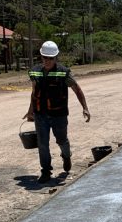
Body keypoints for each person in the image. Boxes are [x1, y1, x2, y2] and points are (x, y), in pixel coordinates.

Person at [23, 41, 91, 183]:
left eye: (50, 58)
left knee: (62, 140)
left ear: (56, 58)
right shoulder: (35, 71)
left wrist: (85, 107)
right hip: (41, 115)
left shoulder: (63, 72)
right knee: (42, 143)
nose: (47, 61)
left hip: (59, 115)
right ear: (41, 57)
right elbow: (34, 93)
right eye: (45, 57)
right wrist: (30, 111)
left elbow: (77, 89)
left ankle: (66, 156)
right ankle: (46, 171)